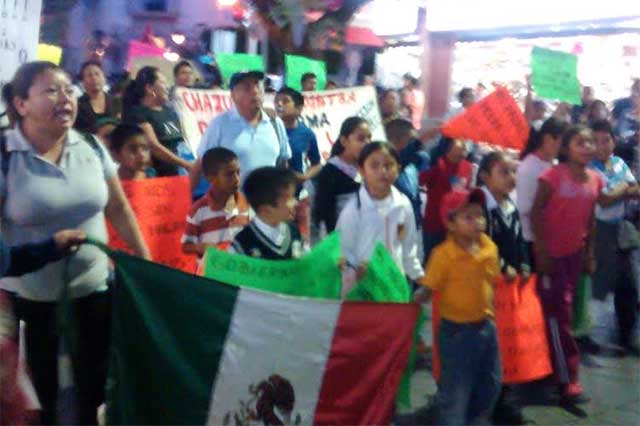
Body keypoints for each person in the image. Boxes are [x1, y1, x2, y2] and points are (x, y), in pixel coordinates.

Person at [0, 61, 150, 425]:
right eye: (51, 90)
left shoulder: (92, 146)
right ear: (21, 104)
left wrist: (144, 260)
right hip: (29, 302)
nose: (65, 98)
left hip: (95, 290)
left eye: (69, 89)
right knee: (41, 397)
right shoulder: (6, 155)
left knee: (93, 388)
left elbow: (117, 207)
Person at [530, 125, 622, 403]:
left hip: (574, 256)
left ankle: (548, 368)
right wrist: (542, 253)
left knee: (561, 313)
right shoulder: (551, 177)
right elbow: (535, 213)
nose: (587, 146)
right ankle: (567, 378)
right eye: (580, 142)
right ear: (567, 147)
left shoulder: (595, 179)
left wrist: (590, 254)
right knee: (560, 318)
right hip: (552, 257)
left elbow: (591, 219)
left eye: (590, 142)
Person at [414, 188, 501, 425]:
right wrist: (412, 302)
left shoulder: (489, 248)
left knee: (490, 383)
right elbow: (429, 289)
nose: (477, 222)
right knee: (456, 392)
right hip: (456, 333)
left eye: (479, 215)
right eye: (468, 217)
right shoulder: (442, 255)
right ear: (450, 224)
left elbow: (492, 282)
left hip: (486, 327)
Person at [477, 151, 531, 425]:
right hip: (485, 287)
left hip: (509, 288)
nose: (511, 178)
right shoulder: (480, 208)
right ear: (485, 176)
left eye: (513, 172)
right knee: (489, 343)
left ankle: (503, 395)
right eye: (504, 172)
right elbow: (479, 242)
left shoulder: (510, 204)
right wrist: (501, 266)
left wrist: (522, 264)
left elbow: (518, 240)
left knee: (507, 341)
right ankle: (489, 399)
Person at [336, 142, 424, 295]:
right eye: (374, 166)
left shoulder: (403, 204)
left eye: (389, 165)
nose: (382, 171)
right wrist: (353, 272)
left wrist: (419, 277)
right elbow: (342, 251)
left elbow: (408, 247)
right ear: (362, 170)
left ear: (398, 169)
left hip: (394, 283)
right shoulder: (354, 210)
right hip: (364, 287)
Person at [589, 119, 640, 355]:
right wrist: (624, 189)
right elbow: (603, 199)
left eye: (606, 140)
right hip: (598, 230)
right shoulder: (589, 168)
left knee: (626, 284)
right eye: (596, 141)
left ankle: (625, 335)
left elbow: (637, 190)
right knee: (598, 284)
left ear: (614, 140)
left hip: (620, 229)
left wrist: (618, 190)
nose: (602, 146)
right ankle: (586, 335)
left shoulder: (619, 162)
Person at [192, 70, 290, 187]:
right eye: (246, 87)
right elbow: (200, 165)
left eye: (257, 85)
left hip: (267, 202)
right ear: (233, 95)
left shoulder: (275, 123)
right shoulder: (220, 124)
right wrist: (184, 202)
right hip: (233, 203)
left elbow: (283, 164)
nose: (255, 91)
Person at [123, 66, 192, 177]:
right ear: (149, 88)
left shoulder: (170, 112)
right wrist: (186, 164)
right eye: (163, 83)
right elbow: (153, 146)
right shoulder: (138, 114)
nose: (167, 87)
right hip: (158, 178)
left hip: (181, 175)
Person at [182, 147, 250, 258]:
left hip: (242, 270)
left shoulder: (247, 204)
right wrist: (200, 247)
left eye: (238, 172)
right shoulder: (198, 210)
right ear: (210, 178)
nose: (237, 179)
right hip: (214, 272)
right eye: (229, 174)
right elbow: (186, 246)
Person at [516, 117, 568, 259]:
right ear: (548, 138)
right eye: (563, 142)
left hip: (550, 237)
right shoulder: (528, 167)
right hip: (533, 240)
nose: (565, 148)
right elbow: (525, 208)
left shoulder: (554, 163)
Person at [313, 116, 371, 235]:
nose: (367, 143)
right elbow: (325, 212)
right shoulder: (330, 171)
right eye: (360, 139)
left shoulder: (369, 167)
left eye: (369, 138)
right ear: (344, 141)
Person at [230, 167, 304, 260]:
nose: (296, 203)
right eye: (290, 198)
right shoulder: (241, 244)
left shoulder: (294, 231)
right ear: (266, 209)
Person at [420, 137, 473, 262]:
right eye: (461, 142)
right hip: (435, 225)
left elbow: (469, 191)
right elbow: (421, 180)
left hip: (457, 227)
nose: (465, 146)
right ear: (448, 147)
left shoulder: (468, 167)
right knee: (432, 262)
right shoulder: (437, 164)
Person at [385, 118, 429, 227]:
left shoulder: (414, 162)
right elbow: (400, 159)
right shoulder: (385, 167)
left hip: (414, 226)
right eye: (411, 141)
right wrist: (420, 141)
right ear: (394, 141)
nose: (415, 145)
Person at [275, 87, 321, 182]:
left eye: (285, 101)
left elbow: (316, 164)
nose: (279, 104)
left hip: (297, 192)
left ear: (299, 108)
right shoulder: (268, 130)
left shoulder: (307, 134)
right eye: (276, 101)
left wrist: (305, 176)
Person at [74, 61, 117, 134]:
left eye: (97, 74)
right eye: (89, 75)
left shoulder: (116, 102)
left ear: (104, 78)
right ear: (83, 81)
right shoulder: (77, 105)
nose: (94, 78)